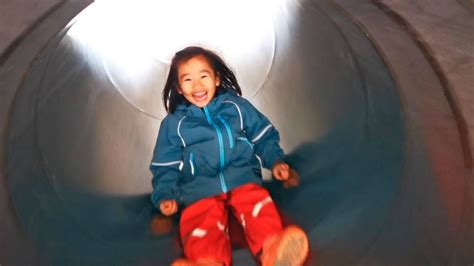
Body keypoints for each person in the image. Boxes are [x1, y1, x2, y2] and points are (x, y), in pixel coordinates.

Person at [150, 46, 309, 266]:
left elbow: (262, 135)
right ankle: (207, 261)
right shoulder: (175, 124)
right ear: (178, 87)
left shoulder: (236, 107)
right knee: (200, 221)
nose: (197, 85)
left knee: (258, 208)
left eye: (203, 76)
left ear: (216, 79)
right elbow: (164, 165)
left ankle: (272, 251)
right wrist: (166, 195)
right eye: (188, 80)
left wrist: (276, 162)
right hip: (200, 187)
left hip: (242, 177)